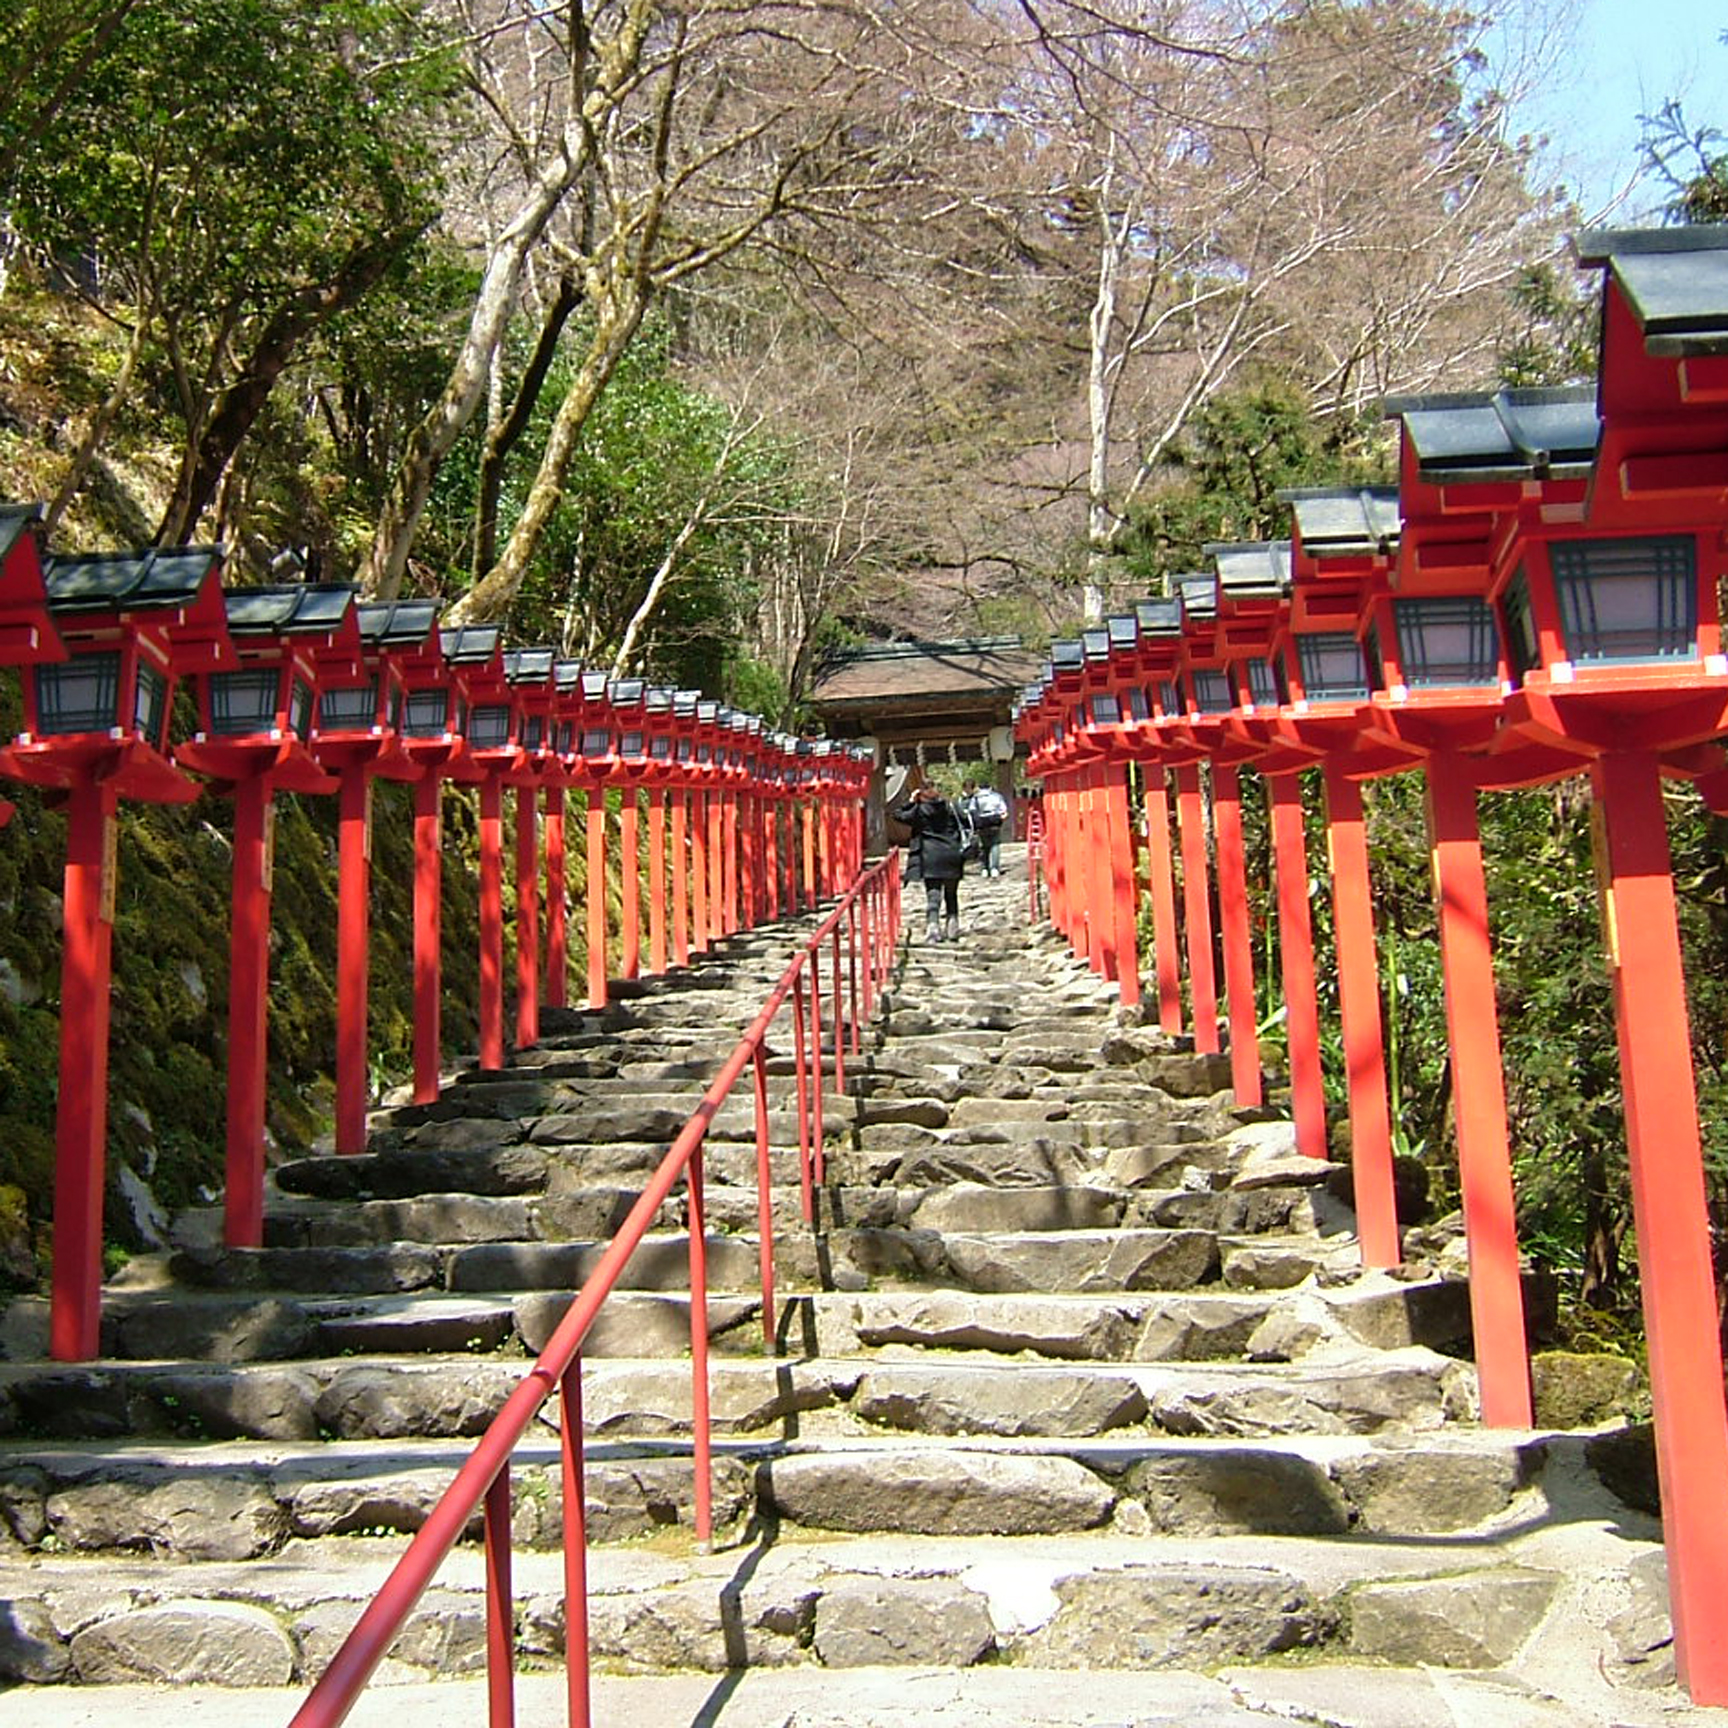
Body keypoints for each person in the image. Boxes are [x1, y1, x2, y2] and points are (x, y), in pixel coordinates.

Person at [893, 782, 966, 942]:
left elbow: (898, 815)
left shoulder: (919, 810)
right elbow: (967, 821)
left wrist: (911, 802)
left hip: (930, 855)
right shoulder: (951, 807)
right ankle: (952, 928)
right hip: (952, 854)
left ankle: (933, 930)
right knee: (951, 894)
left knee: (933, 895)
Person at [964, 777, 1008, 877]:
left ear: (979, 787)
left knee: (983, 847)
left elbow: (972, 811)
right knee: (995, 845)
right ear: (990, 787)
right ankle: (994, 868)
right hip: (994, 823)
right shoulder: (997, 796)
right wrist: (1000, 819)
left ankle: (984, 868)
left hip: (982, 824)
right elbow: (1004, 811)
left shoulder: (976, 798)